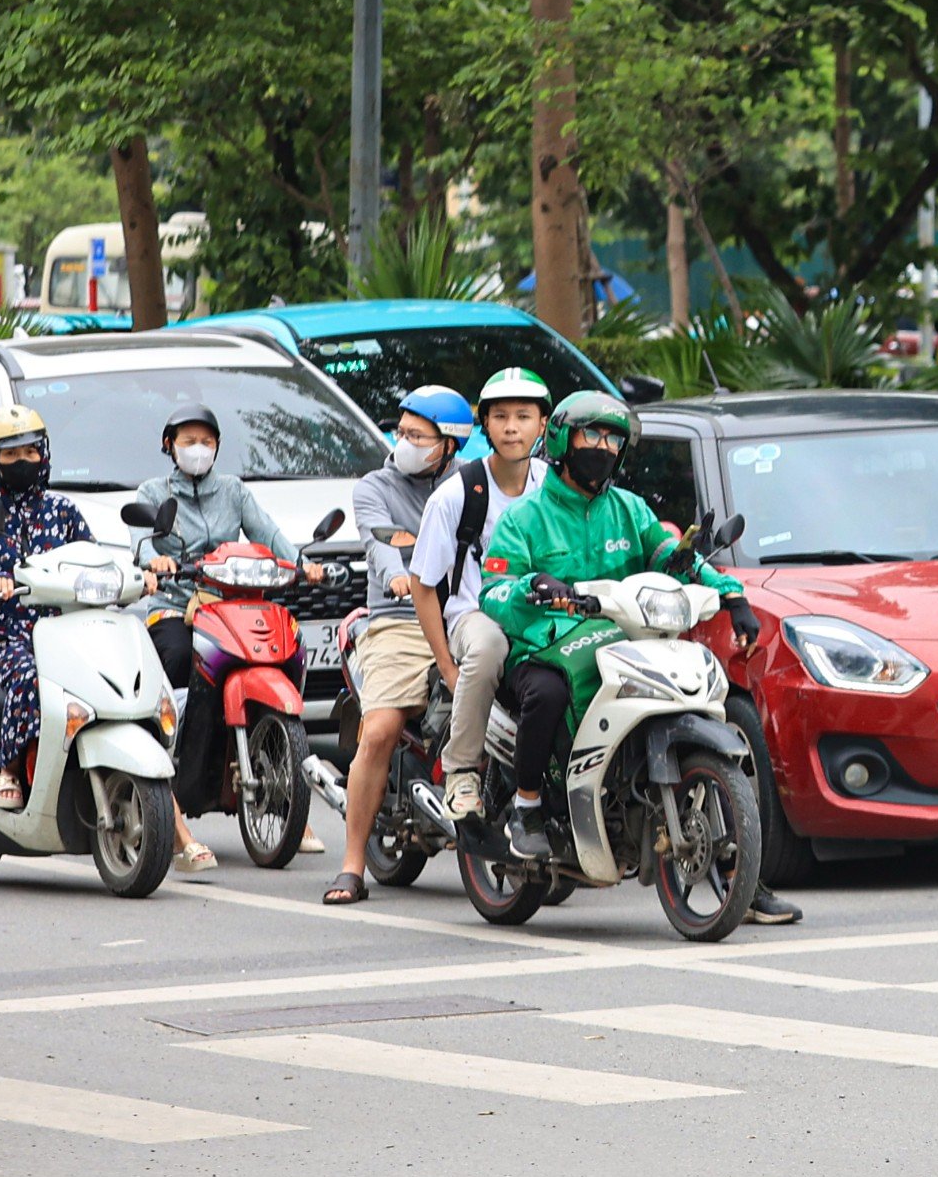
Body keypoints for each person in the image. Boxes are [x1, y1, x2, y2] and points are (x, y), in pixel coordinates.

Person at [477, 392, 767, 870]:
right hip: (544, 646)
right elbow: (494, 592)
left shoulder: (630, 510)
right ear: (561, 440)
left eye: (614, 439)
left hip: (625, 639)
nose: (604, 447)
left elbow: (675, 558)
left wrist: (732, 596)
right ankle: (527, 806)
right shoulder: (524, 518)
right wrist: (534, 587)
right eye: (592, 434)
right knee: (547, 695)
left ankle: (745, 881)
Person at [133, 400, 325, 872]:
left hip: (233, 606)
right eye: (187, 441)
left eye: (206, 441)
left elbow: (269, 534)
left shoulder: (234, 491)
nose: (197, 449)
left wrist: (303, 564)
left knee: (276, 657)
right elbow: (142, 545)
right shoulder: (154, 491)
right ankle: (173, 747)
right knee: (178, 655)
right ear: (168, 446)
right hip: (177, 606)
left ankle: (283, 793)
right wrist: (155, 562)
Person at [324, 385, 475, 904]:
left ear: (449, 445)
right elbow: (383, 542)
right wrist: (400, 577)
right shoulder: (375, 487)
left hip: (466, 616)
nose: (404, 441)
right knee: (382, 728)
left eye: (418, 435)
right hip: (400, 620)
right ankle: (351, 864)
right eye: (402, 431)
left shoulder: (470, 486)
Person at [408, 367, 553, 824]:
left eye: (524, 416)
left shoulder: (555, 488)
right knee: (489, 646)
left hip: (539, 612)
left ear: (543, 424)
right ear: (484, 425)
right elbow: (423, 585)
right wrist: (449, 667)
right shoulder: (456, 494)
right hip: (474, 614)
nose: (512, 427)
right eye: (501, 416)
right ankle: (462, 770)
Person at [0, 407, 90, 807]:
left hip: (63, 634)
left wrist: (132, 576)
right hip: (4, 636)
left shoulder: (64, 512)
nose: (23, 462)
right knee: (30, 678)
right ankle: (8, 769)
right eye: (11, 455)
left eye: (30, 452)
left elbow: (92, 557)